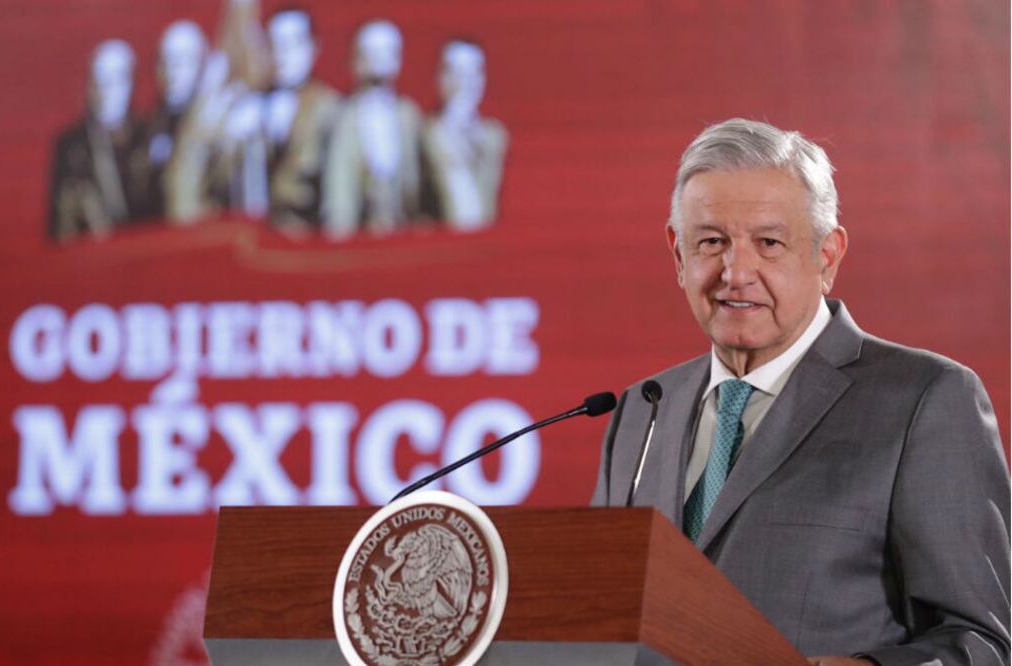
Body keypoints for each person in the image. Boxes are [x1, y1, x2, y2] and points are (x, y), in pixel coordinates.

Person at [591, 118, 1010, 664]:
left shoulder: (924, 400)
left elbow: (983, 642)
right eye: (711, 242)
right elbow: (598, 619)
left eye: (769, 243)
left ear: (827, 257)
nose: (735, 272)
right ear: (678, 254)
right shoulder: (642, 410)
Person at [322, 19, 423, 239]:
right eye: (369, 54)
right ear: (355, 61)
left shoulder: (409, 116)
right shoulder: (341, 119)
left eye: (386, 53)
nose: (377, 63)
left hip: (403, 232)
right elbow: (337, 184)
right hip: (355, 235)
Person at [47, 39, 146, 241]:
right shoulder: (72, 145)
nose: (107, 91)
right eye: (100, 82)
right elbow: (59, 221)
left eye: (117, 81)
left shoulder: (146, 134)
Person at [263, 6, 341, 232]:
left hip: (308, 232)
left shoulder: (330, 109)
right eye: (274, 45)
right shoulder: (253, 107)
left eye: (292, 45)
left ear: (313, 47)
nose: (282, 55)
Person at [421, 38, 508, 230]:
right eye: (456, 73)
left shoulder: (493, 136)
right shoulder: (425, 132)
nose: (463, 83)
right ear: (441, 77)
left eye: (471, 74)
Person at [137, 20, 209, 220]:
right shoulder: (148, 128)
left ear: (201, 64)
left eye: (183, 61)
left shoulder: (215, 125)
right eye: (166, 61)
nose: (172, 72)